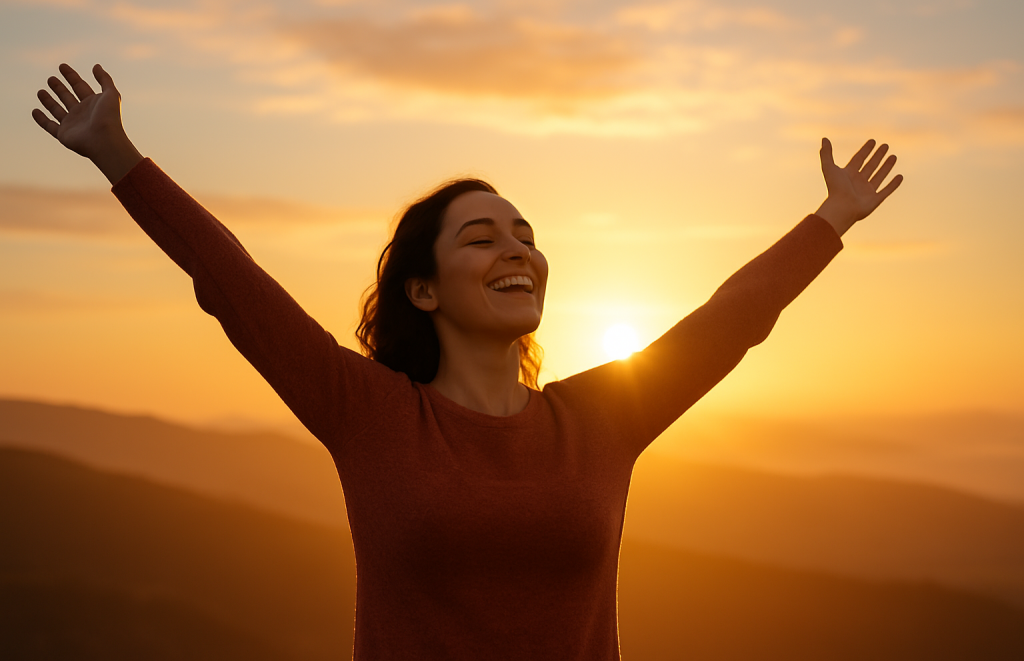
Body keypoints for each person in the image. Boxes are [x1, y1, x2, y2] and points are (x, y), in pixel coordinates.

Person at [32, 63, 902, 660]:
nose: (516, 249)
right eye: (480, 238)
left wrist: (832, 218)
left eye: (525, 234)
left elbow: (728, 322)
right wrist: (118, 155)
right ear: (424, 290)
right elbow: (233, 284)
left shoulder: (602, 417)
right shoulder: (369, 413)